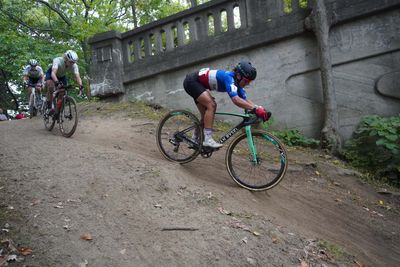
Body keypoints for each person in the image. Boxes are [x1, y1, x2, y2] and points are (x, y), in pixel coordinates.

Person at [183, 61, 270, 148]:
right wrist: (255, 109)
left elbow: (245, 100)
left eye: (250, 81)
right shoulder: (229, 78)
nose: (248, 83)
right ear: (239, 76)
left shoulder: (237, 84)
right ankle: (208, 139)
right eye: (246, 81)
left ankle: (194, 139)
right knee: (212, 105)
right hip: (192, 82)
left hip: (197, 84)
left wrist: (259, 108)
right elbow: (236, 100)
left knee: (205, 115)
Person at [45, 50, 84, 115]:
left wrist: (81, 86)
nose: (72, 64)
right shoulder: (57, 60)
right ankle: (49, 107)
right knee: (51, 87)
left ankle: (57, 111)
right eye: (71, 62)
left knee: (62, 92)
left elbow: (78, 76)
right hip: (52, 74)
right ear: (66, 59)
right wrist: (57, 82)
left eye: (74, 62)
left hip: (62, 76)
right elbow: (53, 73)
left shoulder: (74, 65)